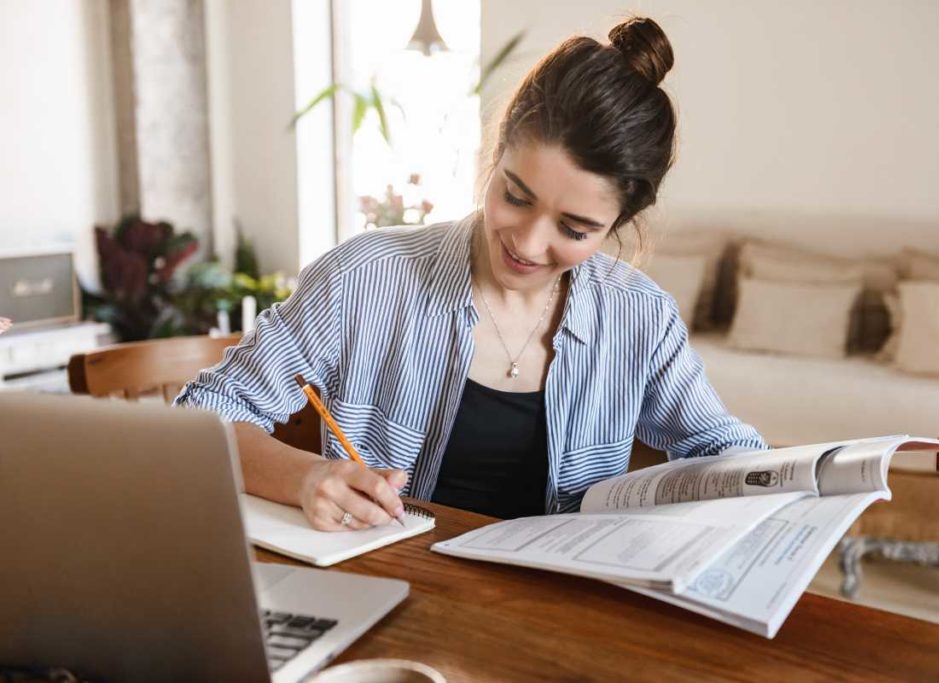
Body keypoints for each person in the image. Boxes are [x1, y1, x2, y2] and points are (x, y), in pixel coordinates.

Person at [176, 16, 765, 530]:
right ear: (496, 151)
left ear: (619, 223)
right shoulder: (365, 278)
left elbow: (723, 449)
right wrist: (308, 478)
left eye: (575, 229)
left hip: (556, 617)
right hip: (394, 589)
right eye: (515, 196)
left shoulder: (639, 315)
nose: (529, 244)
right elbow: (201, 419)